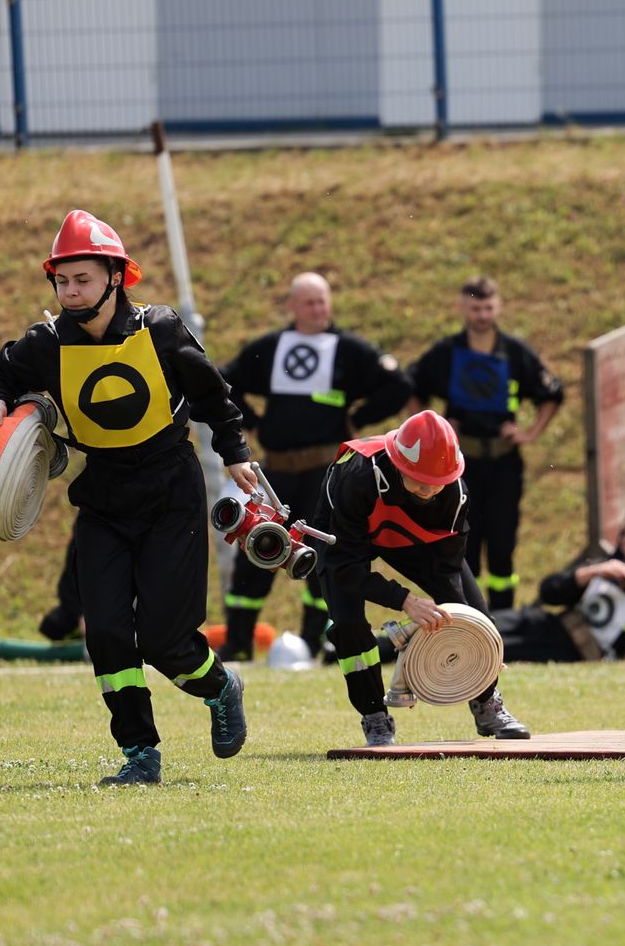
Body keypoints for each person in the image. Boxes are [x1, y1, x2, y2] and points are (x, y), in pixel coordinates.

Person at [0, 210, 259, 786]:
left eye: (82, 279)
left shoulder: (161, 329)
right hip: (102, 493)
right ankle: (139, 752)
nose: (71, 291)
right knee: (104, 632)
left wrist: (234, 452)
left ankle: (219, 686)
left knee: (165, 641)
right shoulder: (46, 342)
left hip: (170, 490)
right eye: (62, 281)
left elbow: (213, 395)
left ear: (115, 277)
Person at [218, 273, 410, 660]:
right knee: (255, 548)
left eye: (323, 301)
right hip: (277, 473)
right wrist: (252, 423)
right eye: (309, 302)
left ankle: (316, 641)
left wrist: (362, 418)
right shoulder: (271, 348)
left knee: (322, 554)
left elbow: (398, 385)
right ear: (292, 307)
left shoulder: (349, 350)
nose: (319, 309)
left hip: (327, 473)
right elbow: (222, 380)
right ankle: (238, 642)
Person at [309, 409, 529, 745]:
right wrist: (405, 601)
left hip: (409, 538)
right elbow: (344, 568)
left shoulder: (455, 493)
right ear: (398, 464)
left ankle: (487, 706)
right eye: (419, 481)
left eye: (436, 484)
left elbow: (449, 570)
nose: (428, 490)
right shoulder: (356, 478)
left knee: (478, 620)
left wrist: (475, 638)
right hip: (346, 540)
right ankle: (375, 717)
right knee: (348, 626)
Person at [407, 277, 564, 611]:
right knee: (462, 544)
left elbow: (553, 393)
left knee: (502, 547)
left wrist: (530, 433)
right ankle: (468, 621)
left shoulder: (515, 352)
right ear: (463, 307)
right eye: (476, 307)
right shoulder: (447, 352)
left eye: (488, 307)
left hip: (504, 464)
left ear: (499, 307)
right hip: (459, 466)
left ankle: (505, 621)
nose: (482, 314)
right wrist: (436, 426)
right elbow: (410, 383)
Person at [494, 513, 625, 663]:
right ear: (621, 542)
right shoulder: (603, 568)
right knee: (486, 624)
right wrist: (591, 572)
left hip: (573, 650)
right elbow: (549, 593)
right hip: (547, 623)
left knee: (490, 649)